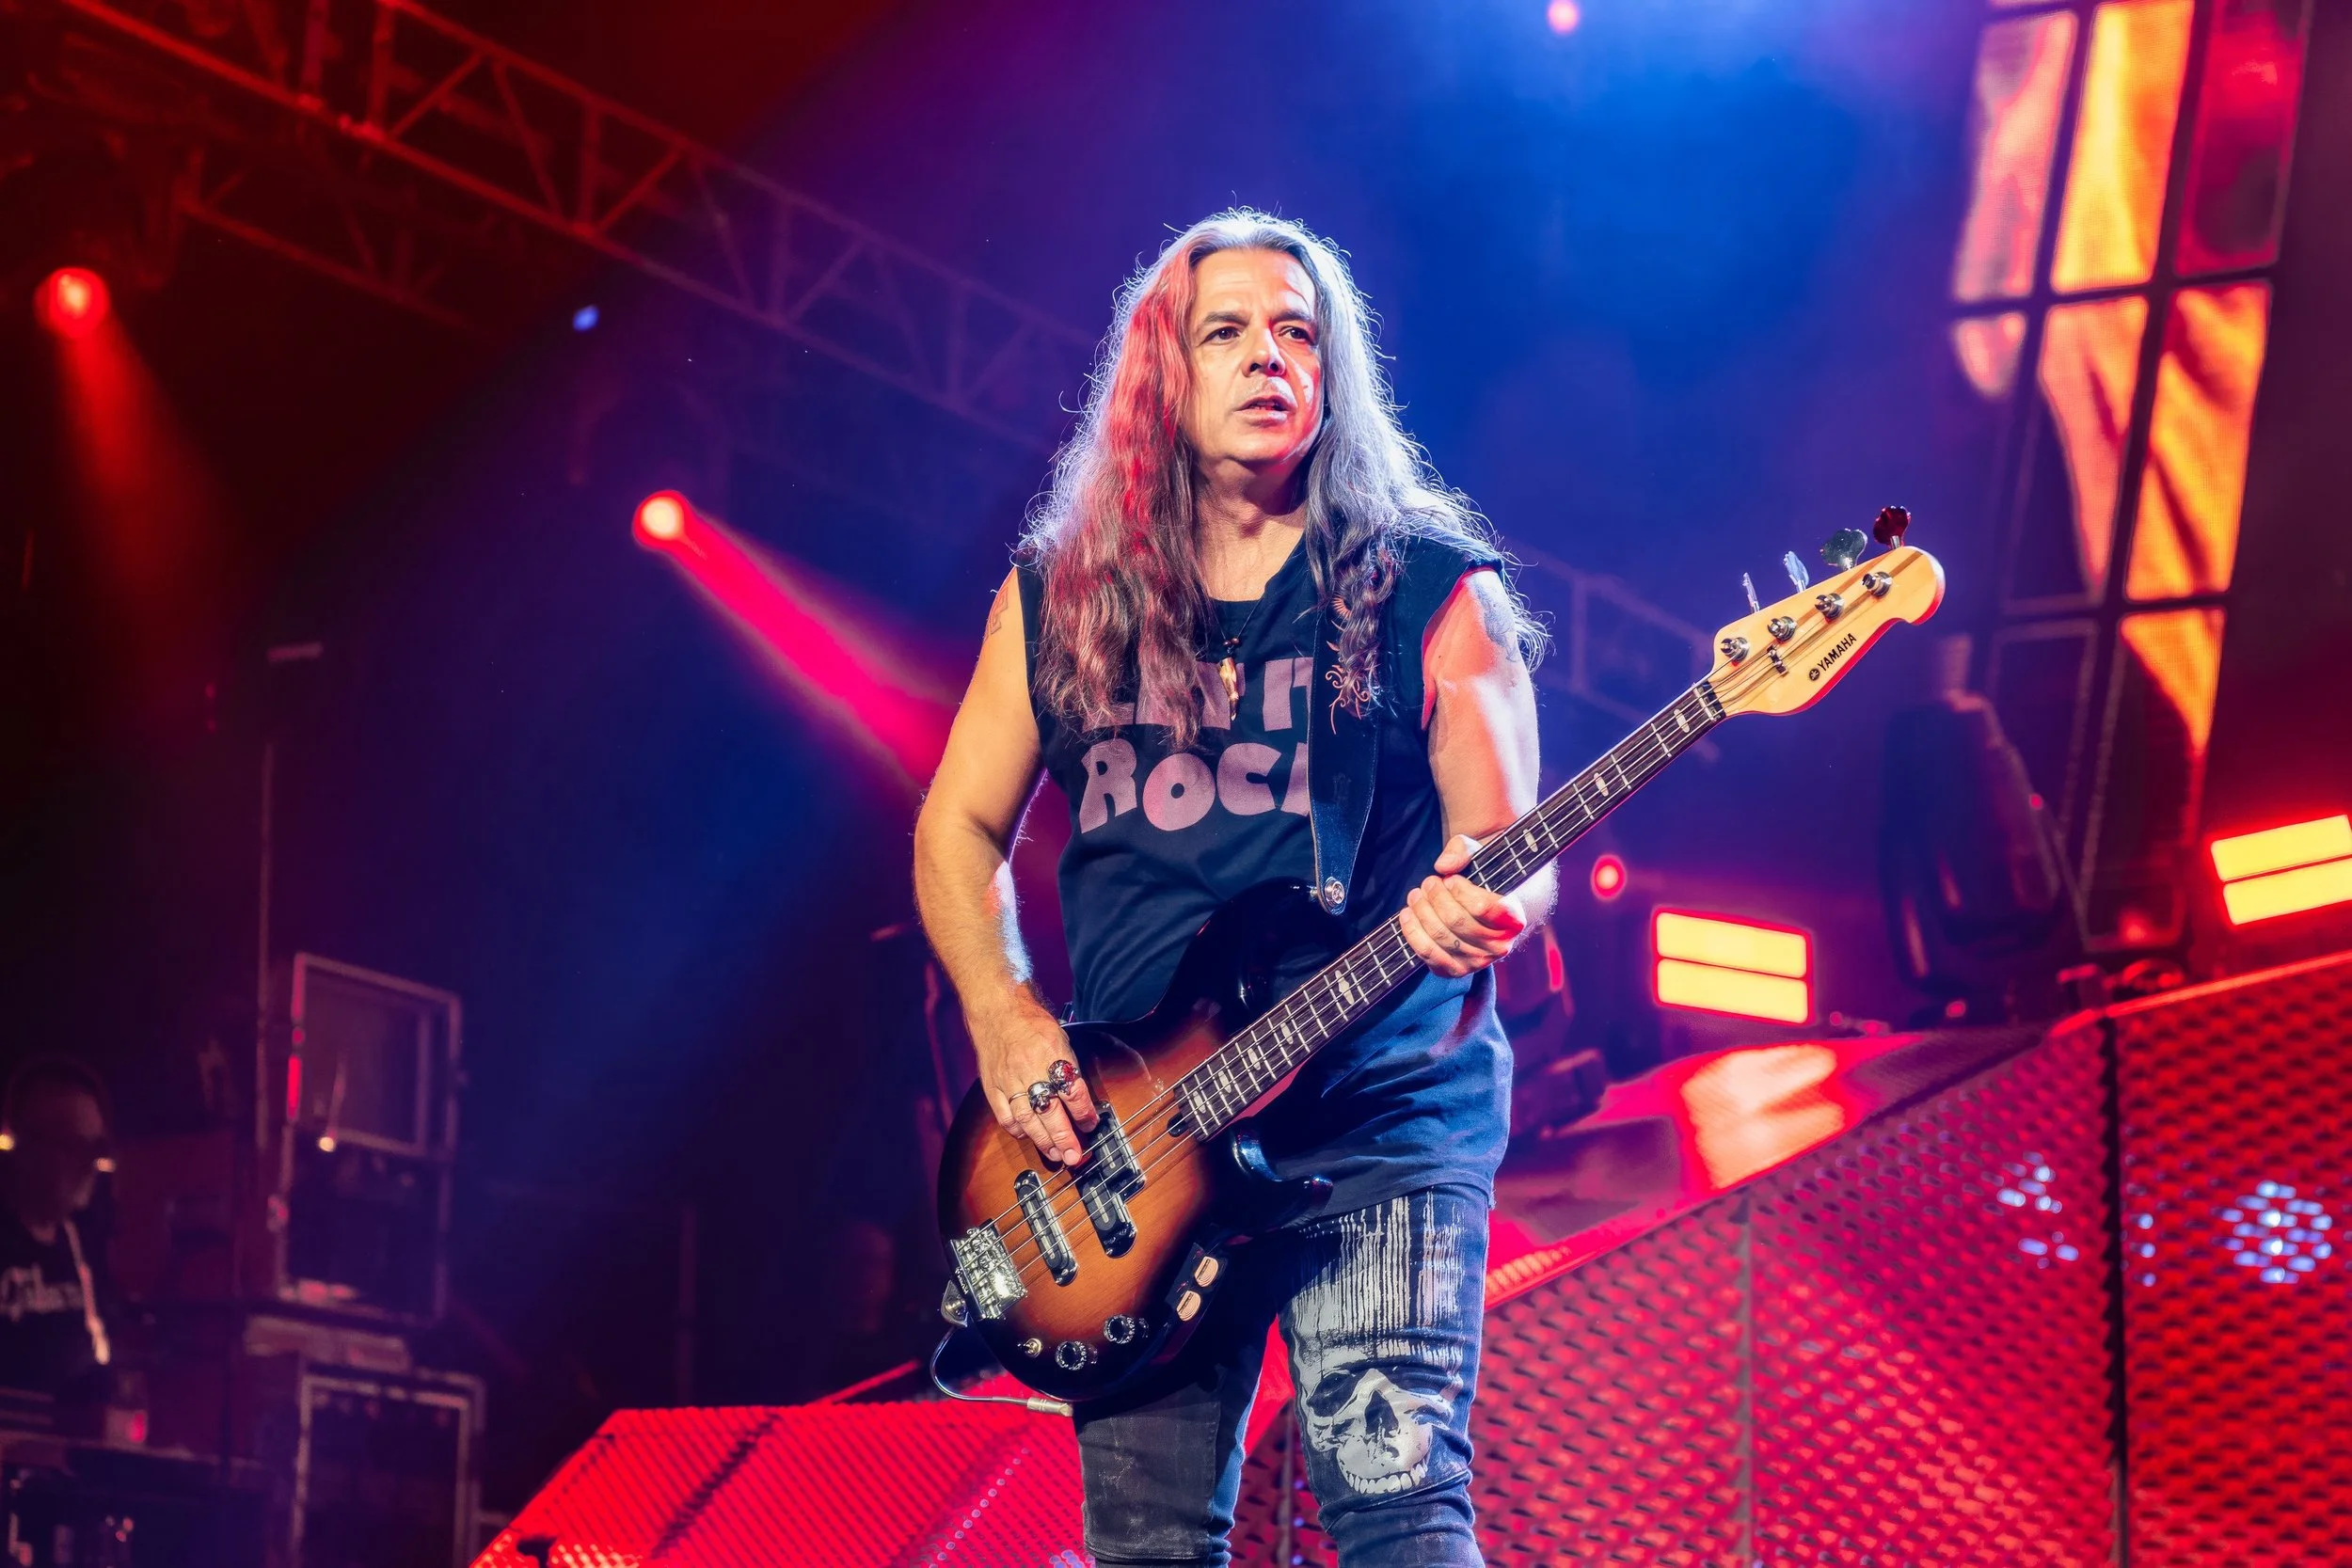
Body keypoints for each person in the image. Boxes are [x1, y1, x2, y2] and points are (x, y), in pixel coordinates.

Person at [914, 211, 1549, 1567]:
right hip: (1134, 1149)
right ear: (1166, 371)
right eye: (1229, 331)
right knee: (1148, 1545)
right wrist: (1004, 1014)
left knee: (1397, 1510)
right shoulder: (1061, 601)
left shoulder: (1429, 589)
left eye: (1297, 331)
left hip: (1381, 1118)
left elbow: (1513, 846)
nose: (1270, 356)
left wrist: (1482, 899)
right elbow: (956, 827)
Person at [0, 1060, 116, 1404]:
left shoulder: (81, 1242)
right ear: (24, 1148)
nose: (90, 1166)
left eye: (96, 1149)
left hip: (67, 1434)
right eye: (75, 1147)